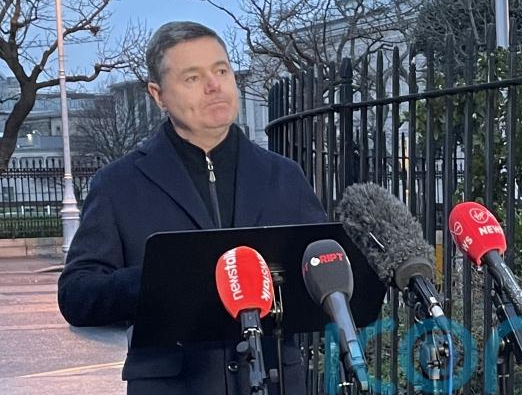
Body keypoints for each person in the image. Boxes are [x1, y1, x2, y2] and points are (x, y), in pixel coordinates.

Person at [58, 21, 327, 394]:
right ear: (158, 95)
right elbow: (77, 294)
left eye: (221, 71)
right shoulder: (118, 184)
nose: (214, 85)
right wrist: (157, 280)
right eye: (192, 77)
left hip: (276, 379)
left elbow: (321, 272)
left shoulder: (284, 176)